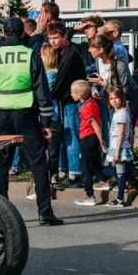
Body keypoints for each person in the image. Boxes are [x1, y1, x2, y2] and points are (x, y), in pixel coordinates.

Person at [0, 17, 63, 226]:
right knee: (38, 165)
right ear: (22, 33)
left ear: (4, 34)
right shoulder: (31, 56)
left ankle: (1, 216)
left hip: (2, 117)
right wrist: (46, 123)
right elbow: (42, 92)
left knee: (1, 165)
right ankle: (45, 213)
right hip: (27, 116)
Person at [48, 22, 86, 188]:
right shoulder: (64, 50)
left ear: (64, 37)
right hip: (67, 100)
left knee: (71, 139)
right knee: (66, 138)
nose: (53, 42)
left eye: (56, 38)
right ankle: (68, 172)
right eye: (50, 38)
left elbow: (60, 82)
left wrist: (45, 98)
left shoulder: (69, 54)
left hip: (72, 101)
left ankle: (74, 175)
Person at [87, 35, 138, 145]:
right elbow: (100, 78)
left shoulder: (119, 64)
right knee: (113, 134)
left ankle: (126, 160)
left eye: (91, 47)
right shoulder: (98, 60)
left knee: (124, 137)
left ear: (100, 49)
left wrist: (104, 85)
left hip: (127, 104)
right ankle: (114, 158)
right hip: (111, 101)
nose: (89, 50)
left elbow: (124, 92)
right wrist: (95, 88)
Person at [72, 80, 106, 206]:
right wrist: (99, 138)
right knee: (93, 161)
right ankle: (105, 179)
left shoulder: (85, 108)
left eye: (72, 93)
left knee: (85, 166)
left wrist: (101, 142)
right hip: (92, 137)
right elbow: (100, 122)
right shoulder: (93, 102)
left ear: (79, 95)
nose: (71, 95)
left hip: (87, 137)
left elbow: (95, 125)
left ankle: (89, 195)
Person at [100, 87, 134, 206]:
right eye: (111, 98)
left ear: (122, 98)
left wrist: (116, 152)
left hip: (119, 148)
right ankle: (123, 181)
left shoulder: (121, 114)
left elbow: (121, 133)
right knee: (106, 165)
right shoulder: (117, 113)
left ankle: (120, 198)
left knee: (119, 172)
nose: (114, 101)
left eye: (116, 98)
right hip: (114, 146)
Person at [41, 43, 61, 183]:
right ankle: (50, 173)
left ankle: (53, 174)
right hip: (46, 114)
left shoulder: (50, 74)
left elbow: (45, 92)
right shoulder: (47, 73)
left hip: (51, 115)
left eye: (41, 55)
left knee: (52, 146)